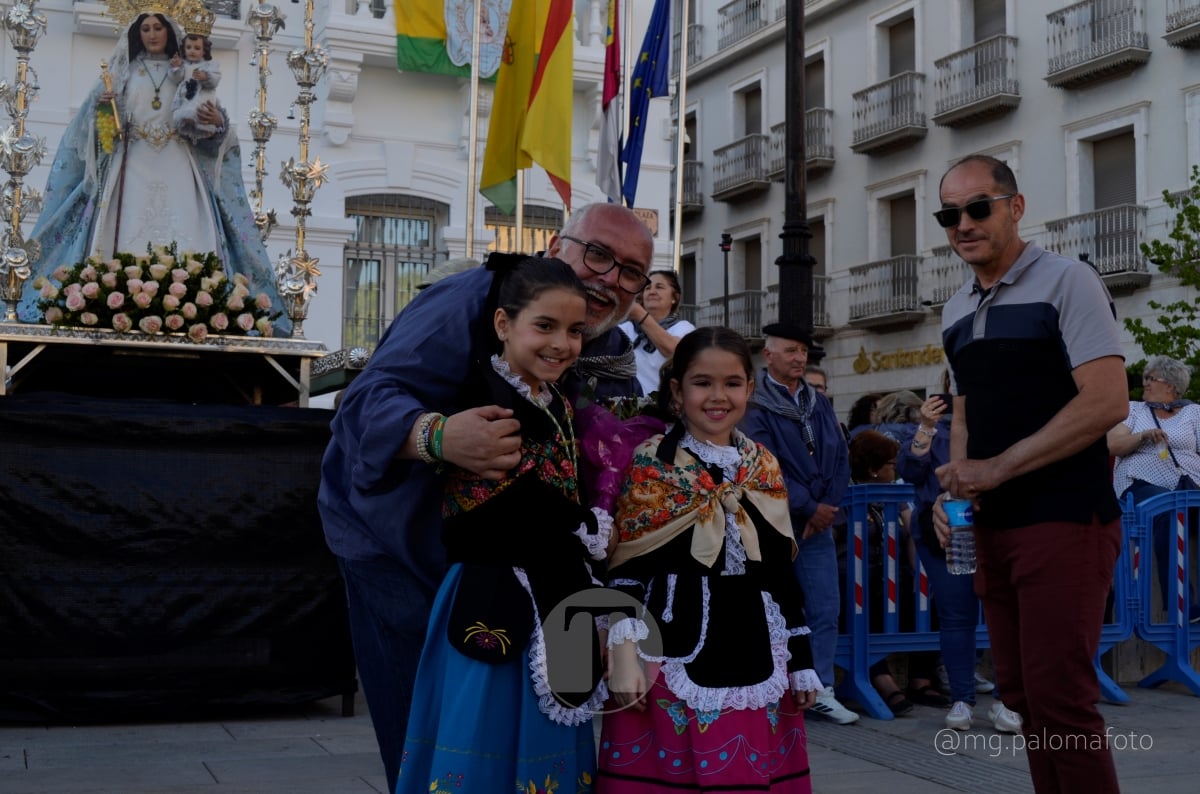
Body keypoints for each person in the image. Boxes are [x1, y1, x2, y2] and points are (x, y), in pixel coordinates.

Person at [318, 202, 652, 792]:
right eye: (597, 253)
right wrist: (439, 436)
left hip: (510, 571)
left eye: (631, 272)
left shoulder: (603, 345)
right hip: (396, 544)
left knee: (504, 735)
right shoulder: (472, 299)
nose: (610, 279)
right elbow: (366, 401)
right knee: (427, 730)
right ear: (555, 248)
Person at [931, 154, 1127, 793]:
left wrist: (997, 468)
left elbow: (1106, 403)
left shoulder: (1069, 280)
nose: (963, 223)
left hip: (1066, 516)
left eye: (978, 207)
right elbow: (964, 413)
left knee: (1061, 698)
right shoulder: (955, 307)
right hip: (992, 526)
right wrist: (956, 484)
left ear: (1015, 208)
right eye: (949, 214)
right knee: (1021, 694)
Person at [397, 258, 606, 792]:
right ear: (502, 325)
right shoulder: (480, 394)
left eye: (575, 330)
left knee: (546, 741)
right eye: (545, 326)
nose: (562, 343)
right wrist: (582, 523)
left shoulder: (556, 398)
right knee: (485, 738)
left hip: (553, 588)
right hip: (493, 590)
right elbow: (497, 505)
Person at [597, 327, 820, 792]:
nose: (718, 396)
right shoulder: (652, 463)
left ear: (749, 388)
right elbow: (626, 568)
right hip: (666, 658)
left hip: (759, 651)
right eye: (702, 383)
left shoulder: (763, 466)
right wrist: (621, 655)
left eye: (732, 383)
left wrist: (801, 658)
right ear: (677, 390)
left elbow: (780, 572)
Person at [19, 8, 284, 329]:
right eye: (146, 28)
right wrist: (105, 111)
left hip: (179, 167)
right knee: (125, 226)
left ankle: (196, 297)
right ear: (137, 33)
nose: (153, 34)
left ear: (170, 32)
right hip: (131, 169)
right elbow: (103, 138)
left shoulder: (188, 72)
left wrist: (217, 124)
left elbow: (210, 132)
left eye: (158, 27)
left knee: (188, 226)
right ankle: (116, 294)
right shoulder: (123, 74)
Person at [740, 323, 856, 724]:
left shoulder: (817, 402)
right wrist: (810, 506)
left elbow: (841, 456)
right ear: (768, 355)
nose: (800, 358)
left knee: (825, 606)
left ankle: (821, 687)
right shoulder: (754, 404)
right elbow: (762, 462)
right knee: (770, 608)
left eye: (803, 351)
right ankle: (771, 687)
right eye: (791, 351)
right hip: (773, 525)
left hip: (816, 525)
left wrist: (827, 505)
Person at [897, 392, 1022, 734]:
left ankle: (1006, 700)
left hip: (995, 524)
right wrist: (925, 426)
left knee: (1005, 612)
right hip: (943, 531)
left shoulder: (999, 423)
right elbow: (908, 470)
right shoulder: (936, 428)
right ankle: (962, 699)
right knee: (956, 614)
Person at [842, 430, 946, 715]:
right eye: (891, 463)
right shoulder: (845, 493)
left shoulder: (895, 495)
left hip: (890, 577)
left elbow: (913, 529)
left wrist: (918, 575)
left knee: (930, 599)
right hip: (853, 582)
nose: (896, 468)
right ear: (874, 469)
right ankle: (881, 679)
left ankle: (921, 678)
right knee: (867, 603)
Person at [1107, 354, 1200, 621]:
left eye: (1151, 378)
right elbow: (1112, 445)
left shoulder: (1194, 413)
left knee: (1183, 506)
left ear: (1171, 385)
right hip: (1141, 487)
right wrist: (1143, 436)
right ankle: (1179, 605)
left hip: (1189, 488)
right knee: (1168, 510)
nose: (1145, 383)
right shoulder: (1134, 410)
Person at [619, 269, 696, 397]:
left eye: (659, 287)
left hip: (663, 407)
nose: (652, 291)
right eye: (647, 288)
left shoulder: (683, 328)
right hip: (628, 407)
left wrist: (640, 315)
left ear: (674, 298)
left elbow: (674, 352)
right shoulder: (626, 328)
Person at [172, 29, 222, 143]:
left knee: (201, 112)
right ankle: (186, 126)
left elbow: (216, 78)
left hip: (202, 93)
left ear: (204, 50)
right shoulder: (183, 64)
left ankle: (206, 129)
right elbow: (176, 78)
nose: (192, 51)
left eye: (197, 48)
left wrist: (206, 76)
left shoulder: (209, 65)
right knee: (185, 113)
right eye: (188, 47)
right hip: (186, 94)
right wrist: (176, 67)